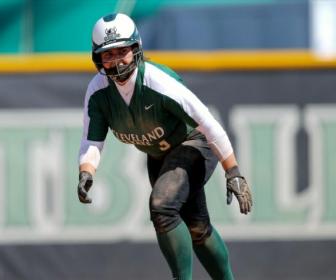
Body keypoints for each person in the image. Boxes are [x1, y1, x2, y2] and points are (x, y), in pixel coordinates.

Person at [77, 13, 253, 280]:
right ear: (97, 57)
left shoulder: (157, 81)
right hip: (159, 155)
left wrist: (233, 171)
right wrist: (86, 170)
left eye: (122, 51)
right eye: (108, 54)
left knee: (162, 206)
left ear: (136, 49)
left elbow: (207, 123)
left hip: (193, 143)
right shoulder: (98, 91)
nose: (116, 60)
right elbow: (92, 140)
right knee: (197, 227)